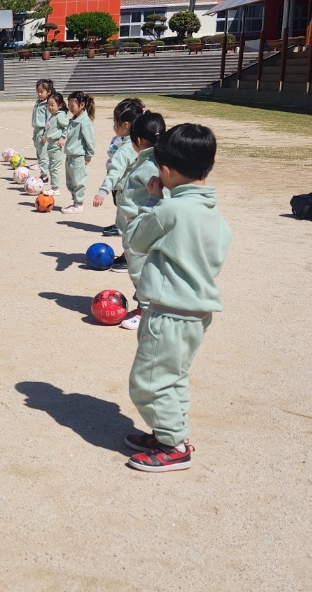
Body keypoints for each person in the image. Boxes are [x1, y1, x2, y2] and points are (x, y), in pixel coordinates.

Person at [123, 124, 230, 473]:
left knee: (148, 382)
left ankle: (174, 446)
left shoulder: (169, 211)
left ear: (165, 171)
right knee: (173, 376)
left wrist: (153, 200)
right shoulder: (214, 215)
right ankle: (170, 431)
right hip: (196, 314)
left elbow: (136, 240)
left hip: (170, 313)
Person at [114, 111, 166, 331]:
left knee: (139, 268)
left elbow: (164, 195)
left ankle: (145, 310)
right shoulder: (155, 160)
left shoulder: (150, 166)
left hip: (141, 225)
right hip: (139, 223)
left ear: (137, 140)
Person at [94, 97, 145, 239]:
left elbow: (115, 171)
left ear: (126, 125)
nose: (113, 126)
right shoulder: (136, 141)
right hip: (129, 188)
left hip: (124, 188)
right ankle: (120, 226)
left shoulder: (126, 148)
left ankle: (128, 254)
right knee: (124, 215)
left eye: (115, 122)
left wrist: (102, 191)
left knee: (127, 221)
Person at [62, 91, 95, 213]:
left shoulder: (85, 122)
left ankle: (79, 205)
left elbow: (90, 140)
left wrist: (89, 155)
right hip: (70, 155)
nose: (70, 109)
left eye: (72, 106)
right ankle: (75, 202)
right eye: (69, 106)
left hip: (78, 156)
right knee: (70, 182)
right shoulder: (73, 120)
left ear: (82, 105)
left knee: (78, 181)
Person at [41, 91, 69, 198]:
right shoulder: (52, 116)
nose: (50, 107)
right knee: (51, 167)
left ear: (60, 105)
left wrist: (62, 138)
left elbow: (67, 127)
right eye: (48, 105)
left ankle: (55, 188)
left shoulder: (60, 116)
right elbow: (48, 127)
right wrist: (44, 136)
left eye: (52, 105)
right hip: (50, 145)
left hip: (57, 145)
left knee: (55, 167)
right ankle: (53, 187)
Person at [31, 79, 55, 176]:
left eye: (41, 92)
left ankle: (44, 175)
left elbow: (49, 121)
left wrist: (45, 134)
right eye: (38, 92)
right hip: (36, 130)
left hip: (42, 131)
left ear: (48, 92)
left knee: (43, 154)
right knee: (38, 151)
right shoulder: (38, 102)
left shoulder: (47, 105)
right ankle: (41, 165)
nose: (39, 94)